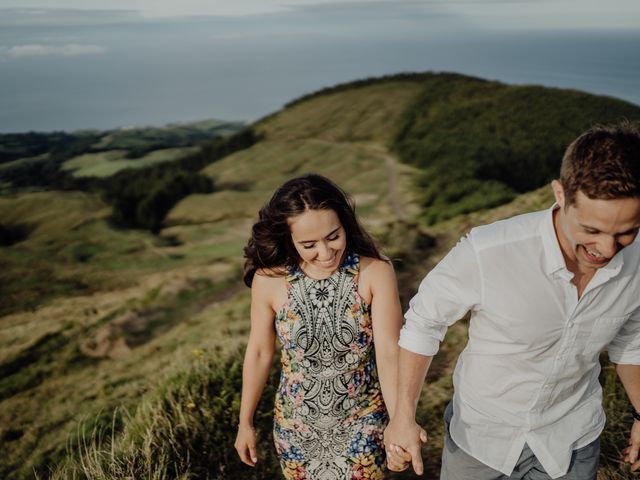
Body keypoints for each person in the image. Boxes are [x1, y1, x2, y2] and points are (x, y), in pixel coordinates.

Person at [384, 123, 640, 479]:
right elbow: (424, 323)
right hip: (481, 440)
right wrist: (402, 417)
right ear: (560, 195)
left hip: (572, 439)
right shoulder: (488, 251)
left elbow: (632, 341)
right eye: (592, 231)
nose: (608, 250)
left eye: (626, 232)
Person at [234, 173, 405, 479]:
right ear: (289, 240)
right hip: (295, 429)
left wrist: (399, 422)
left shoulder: (376, 272)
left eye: (333, 237)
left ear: (345, 224)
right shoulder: (268, 281)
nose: (325, 253)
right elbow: (260, 352)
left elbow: (389, 353)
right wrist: (244, 423)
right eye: (309, 244)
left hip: (363, 421)